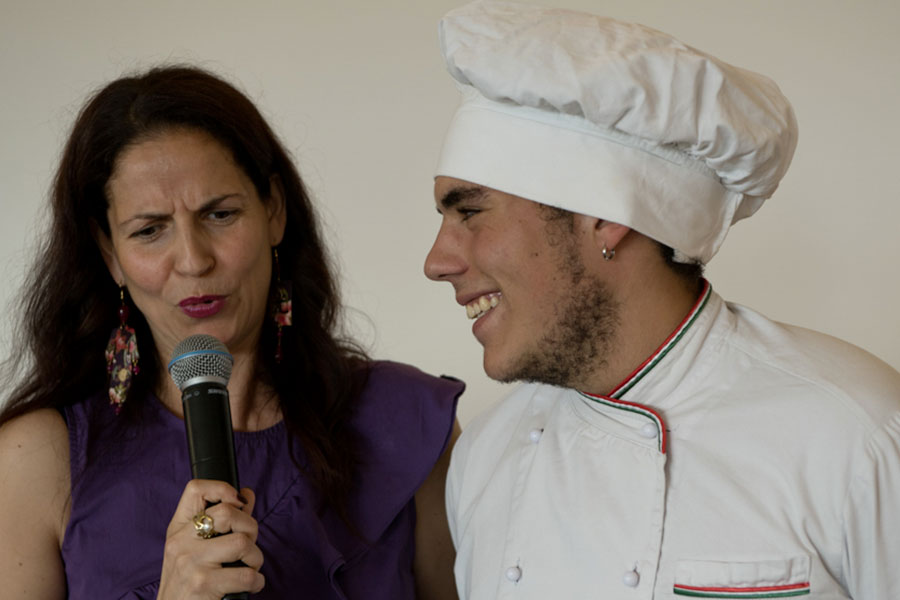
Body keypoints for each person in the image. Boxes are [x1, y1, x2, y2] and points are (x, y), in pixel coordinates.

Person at [424, 2, 900, 599]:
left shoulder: (860, 436)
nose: (437, 261)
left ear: (604, 215)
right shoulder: (484, 459)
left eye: (469, 212)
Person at [0, 65, 463, 599]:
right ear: (111, 255)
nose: (194, 260)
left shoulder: (407, 423)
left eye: (219, 214)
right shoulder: (38, 462)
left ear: (274, 211)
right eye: (149, 230)